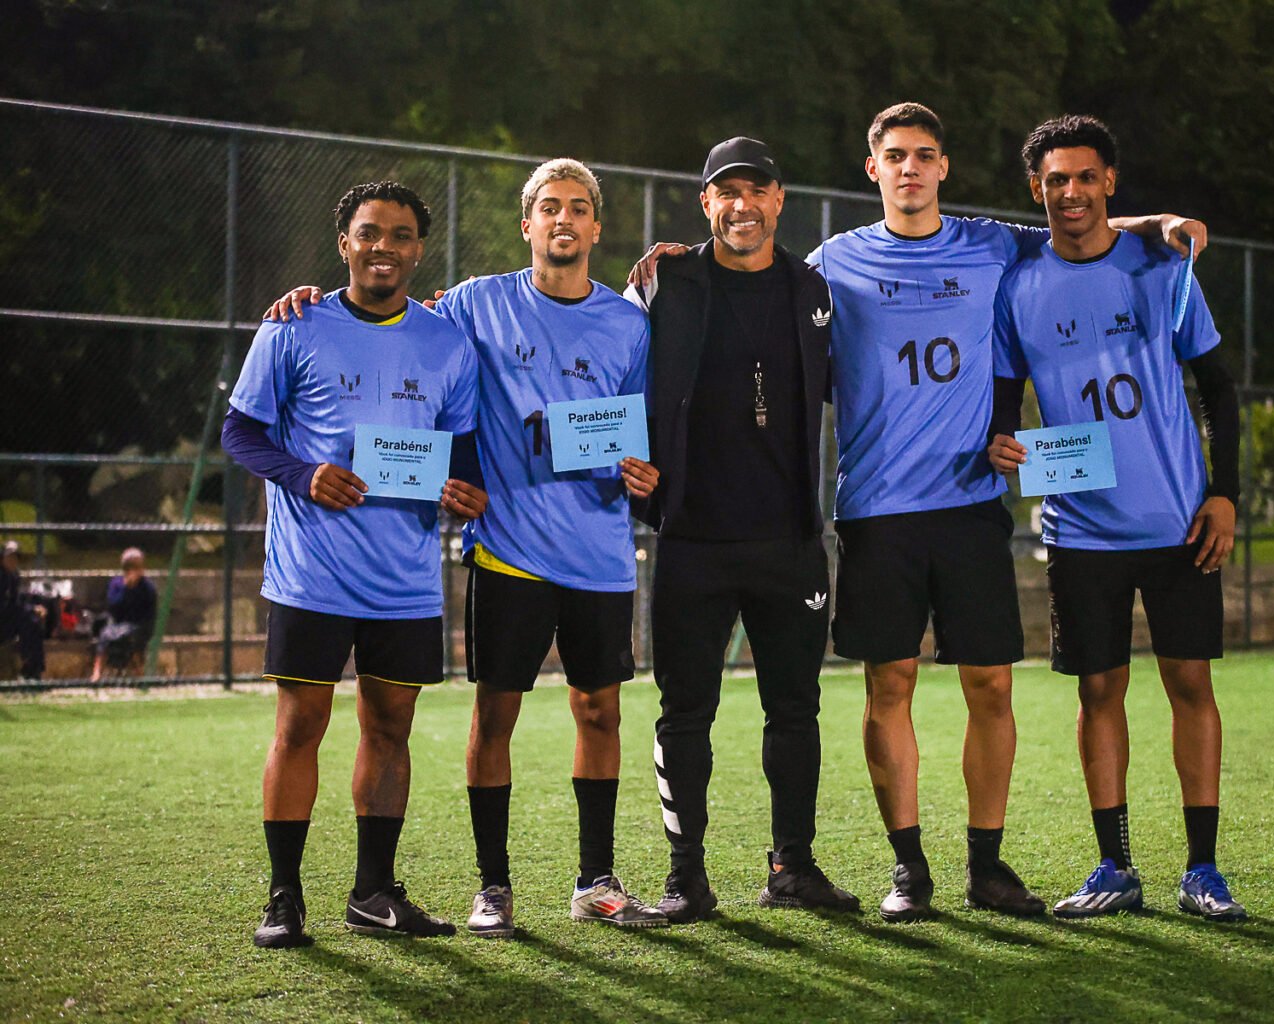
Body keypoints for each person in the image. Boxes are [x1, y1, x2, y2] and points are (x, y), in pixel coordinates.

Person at [807, 102, 1207, 922]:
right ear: (873, 168)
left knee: (991, 685)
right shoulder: (832, 260)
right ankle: (909, 868)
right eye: (895, 156)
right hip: (877, 508)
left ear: (943, 167)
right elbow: (751, 277)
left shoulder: (992, 244)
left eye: (924, 154)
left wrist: (1158, 223)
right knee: (890, 684)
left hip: (971, 505)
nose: (910, 168)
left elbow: (1079, 223)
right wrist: (682, 259)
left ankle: (985, 866)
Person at [264, 160, 667, 933]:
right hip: (507, 549)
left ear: (596, 226)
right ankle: (493, 888)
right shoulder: (476, 302)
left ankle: (596, 882)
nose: (563, 219)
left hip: (601, 552)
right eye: (549, 206)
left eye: (577, 208)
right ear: (527, 223)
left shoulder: (628, 325)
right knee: (494, 719)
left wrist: (641, 471)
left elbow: (635, 430)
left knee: (601, 713)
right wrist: (308, 300)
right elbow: (387, 310)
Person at [988, 115, 1245, 922]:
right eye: (1054, 180)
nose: (1070, 192)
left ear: (1109, 182)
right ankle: (1116, 867)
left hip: (1178, 523)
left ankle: (1203, 870)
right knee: (1098, 691)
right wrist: (1001, 443)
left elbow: (1219, 389)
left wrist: (1227, 493)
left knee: (1190, 684)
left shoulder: (1162, 266)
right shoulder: (1018, 286)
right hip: (1080, 528)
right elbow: (1003, 401)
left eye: (1084, 176)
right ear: (1037, 189)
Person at [223, 180, 484, 949]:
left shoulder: (447, 343)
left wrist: (462, 492)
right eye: (369, 232)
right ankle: (283, 897)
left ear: (418, 249)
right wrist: (303, 474)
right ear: (344, 243)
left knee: (391, 727)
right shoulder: (293, 325)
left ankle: (373, 894)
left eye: (400, 235)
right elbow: (241, 433)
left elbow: (461, 456)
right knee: (300, 724)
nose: (383, 247)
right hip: (313, 572)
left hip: (405, 579)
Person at [626, 137, 858, 923]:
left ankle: (792, 866)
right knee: (684, 713)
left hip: (789, 540)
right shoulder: (664, 282)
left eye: (757, 190)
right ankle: (685, 877)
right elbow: (605, 362)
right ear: (706, 204)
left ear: (779, 200)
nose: (742, 205)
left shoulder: (812, 288)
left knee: (795, 710)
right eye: (727, 192)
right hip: (690, 536)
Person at [90, 547, 157, 681]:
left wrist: (134, 589)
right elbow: (113, 605)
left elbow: (146, 610)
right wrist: (127, 588)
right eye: (128, 567)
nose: (131, 571)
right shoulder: (116, 584)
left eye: (136, 567)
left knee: (131, 637)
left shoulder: (147, 587)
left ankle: (140, 673)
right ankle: (96, 673)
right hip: (118, 622)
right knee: (105, 634)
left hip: (139, 624)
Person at [1, 540, 45, 680]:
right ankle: (29, 666)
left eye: (16, 557)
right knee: (27, 620)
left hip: (8, 621)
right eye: (9, 557)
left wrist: (33, 608)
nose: (13, 560)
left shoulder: (14, 575)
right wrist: (30, 609)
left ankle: (34, 669)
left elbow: (16, 602)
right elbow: (6, 605)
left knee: (33, 622)